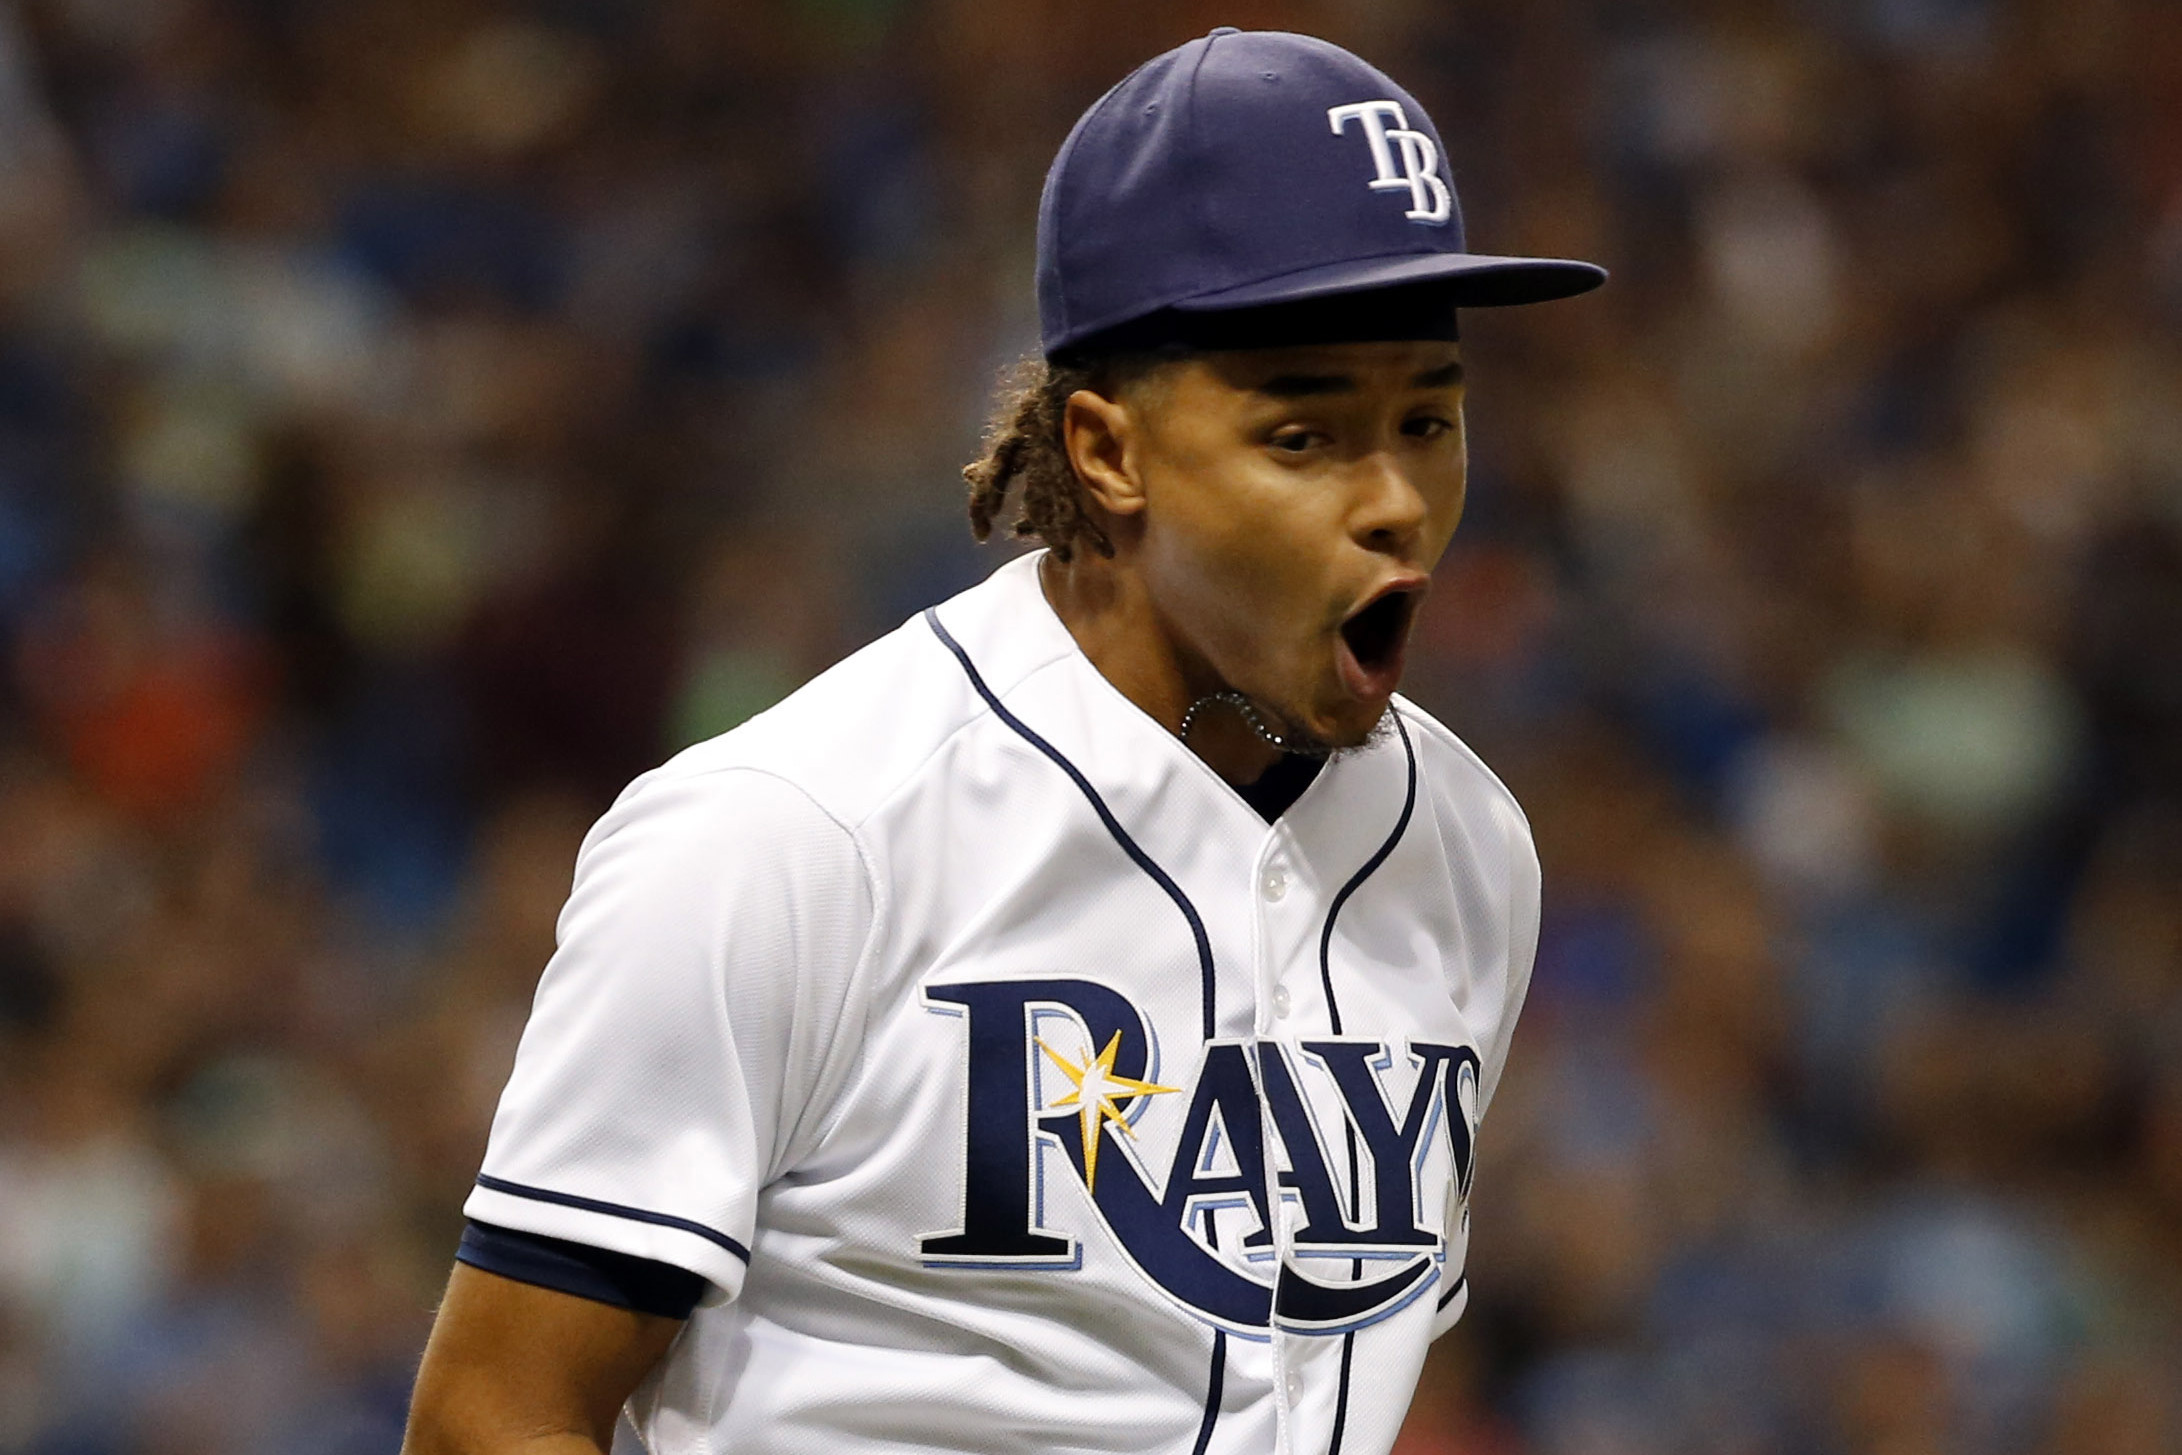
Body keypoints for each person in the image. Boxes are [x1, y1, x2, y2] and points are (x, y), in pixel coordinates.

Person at [402, 27, 1601, 1455]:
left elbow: (1317, 1384)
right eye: (1304, 434)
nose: (1397, 498)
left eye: (1429, 418)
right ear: (1107, 451)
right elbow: (496, 1414)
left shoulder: (1467, 852)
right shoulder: (795, 832)